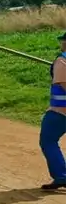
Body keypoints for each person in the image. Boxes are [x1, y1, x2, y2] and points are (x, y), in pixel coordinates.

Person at [39, 32, 66, 190]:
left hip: (60, 111)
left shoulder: (62, 61)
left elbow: (63, 84)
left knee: (48, 140)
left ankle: (62, 176)